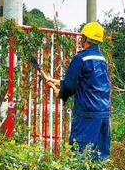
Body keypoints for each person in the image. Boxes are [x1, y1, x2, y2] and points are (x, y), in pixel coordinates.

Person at [47, 22, 111, 160]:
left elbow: (70, 86)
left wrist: (61, 93)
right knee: (100, 158)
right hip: (103, 115)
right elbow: (90, 82)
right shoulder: (102, 59)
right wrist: (58, 82)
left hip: (87, 116)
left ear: (84, 38)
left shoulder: (80, 58)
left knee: (80, 157)